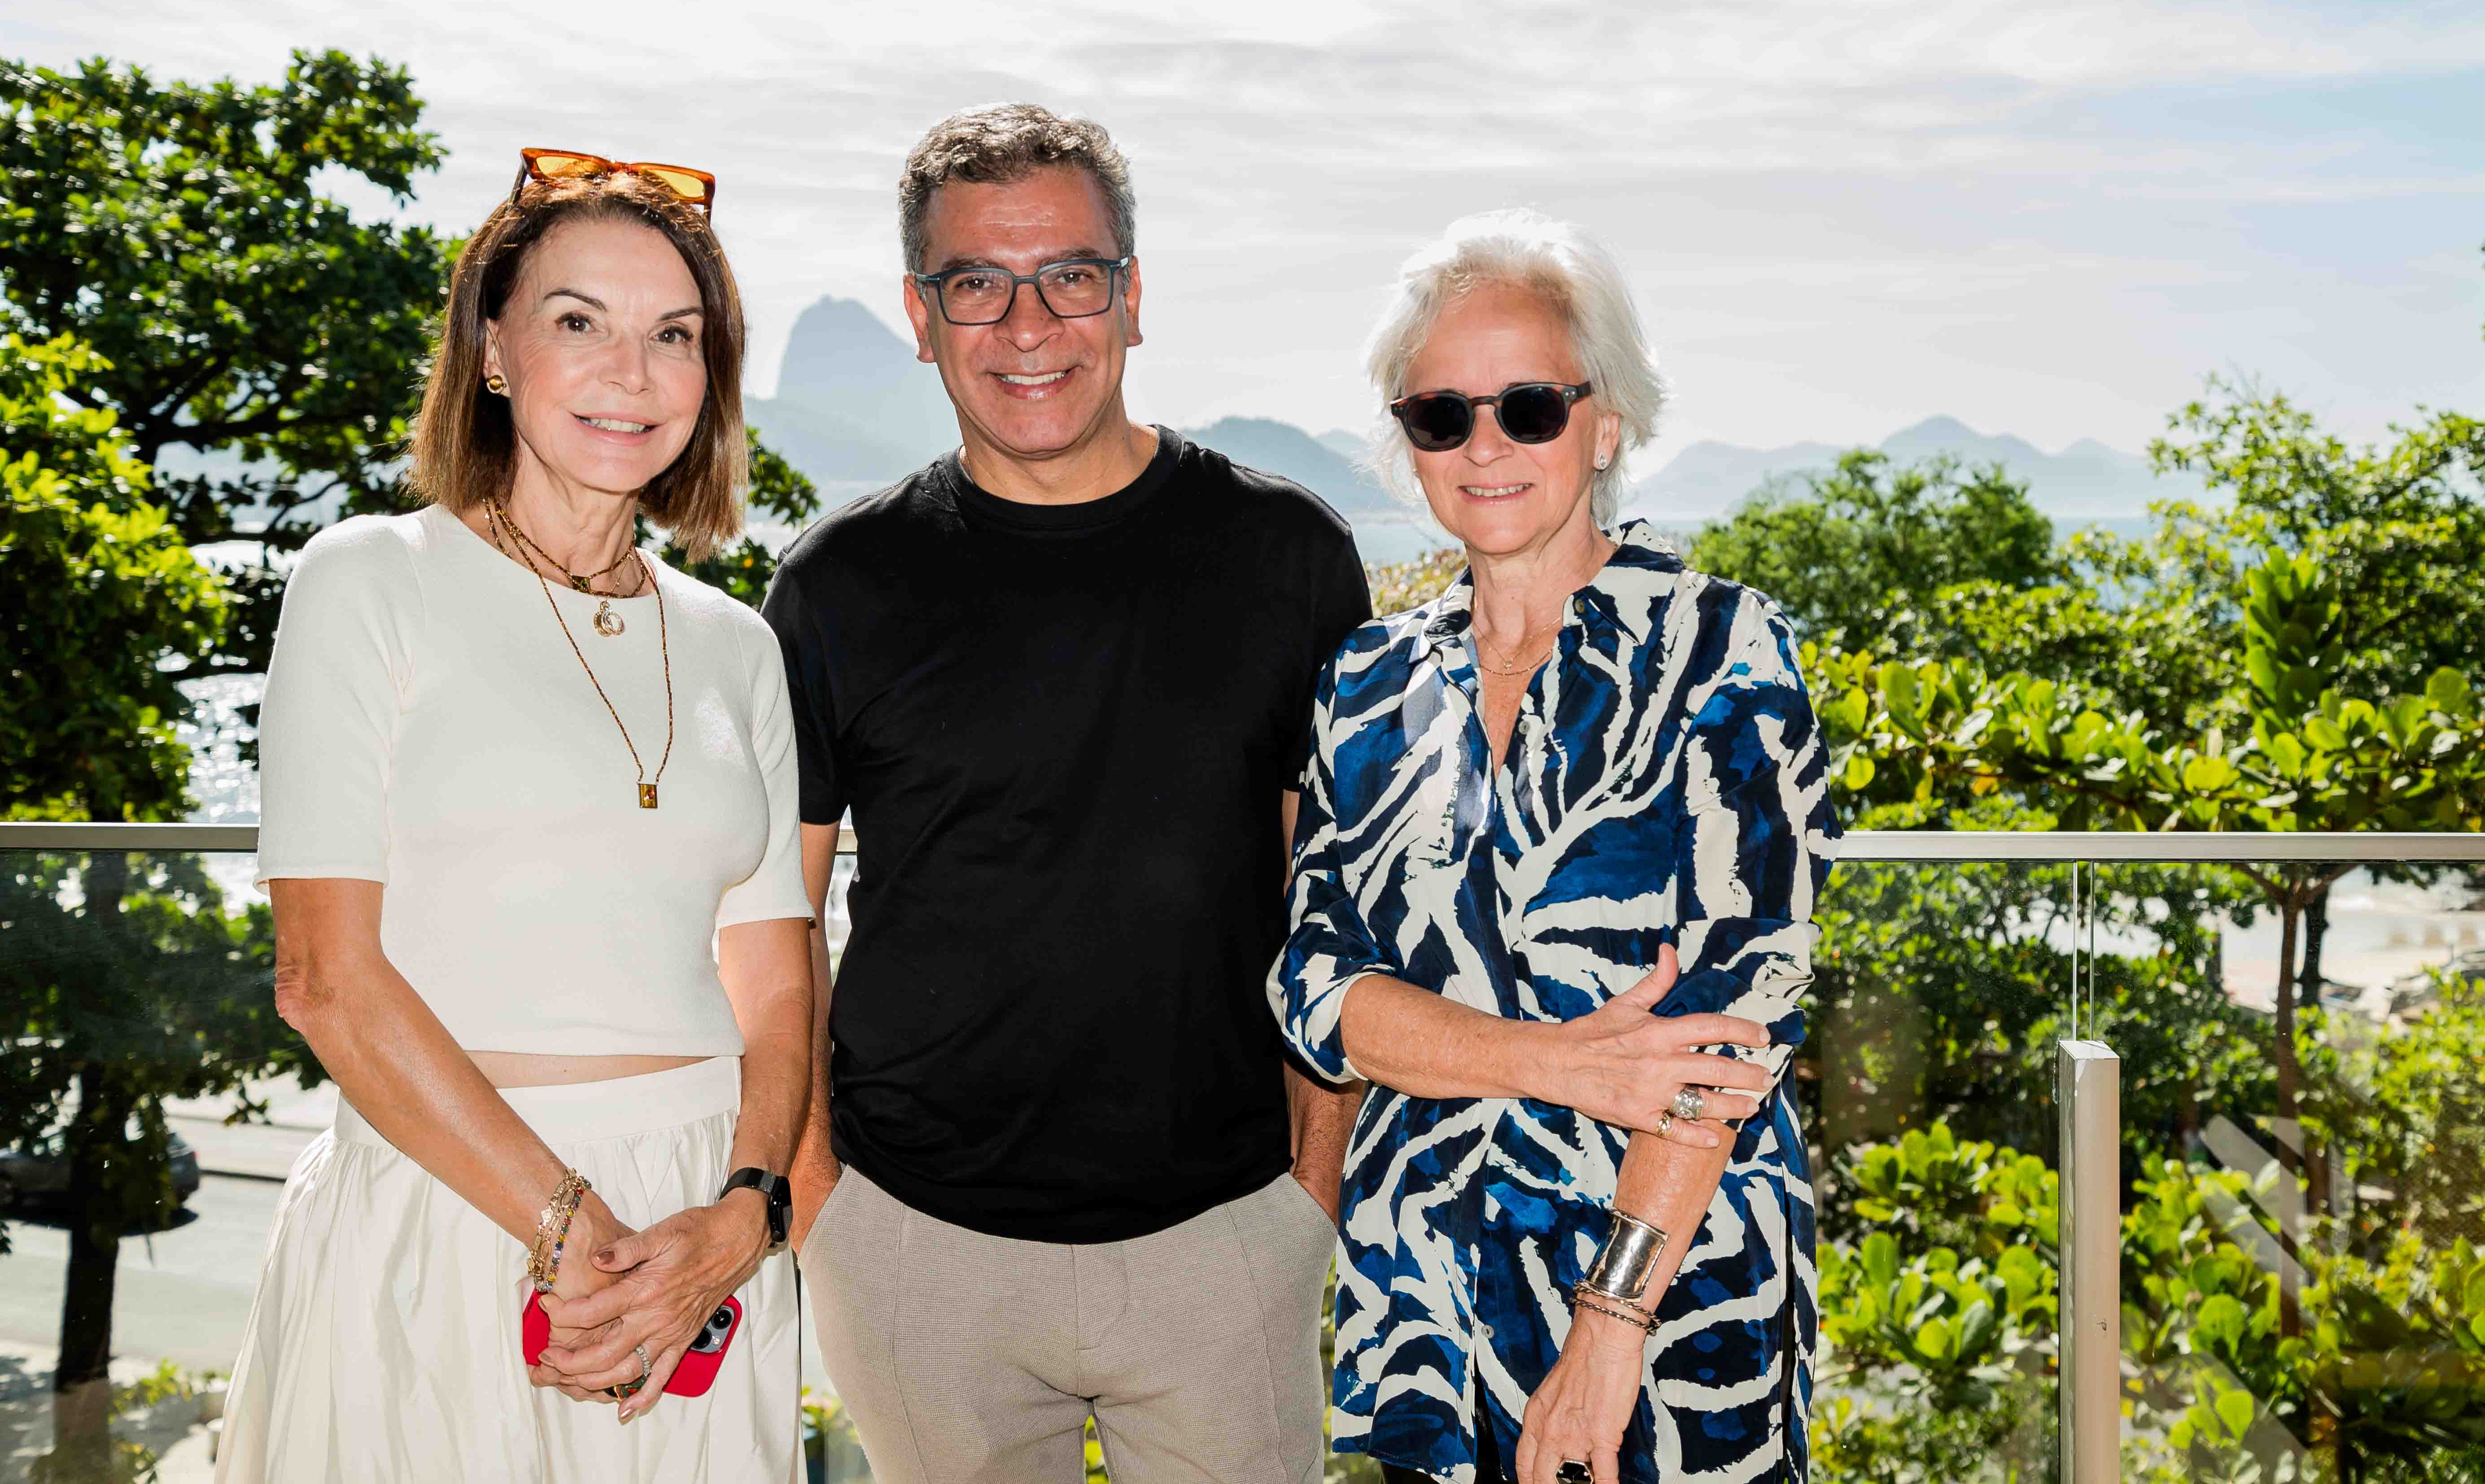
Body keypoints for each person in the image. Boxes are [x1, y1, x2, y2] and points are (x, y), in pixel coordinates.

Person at [763, 104, 1374, 1484]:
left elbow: (1331, 902)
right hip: (919, 1248)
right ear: (922, 317)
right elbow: (776, 924)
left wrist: (1308, 1198)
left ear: (1133, 298)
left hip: (1227, 1239)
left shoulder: (1286, 556)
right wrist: (822, 1210)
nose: (1027, 323)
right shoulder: (835, 585)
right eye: (976, 281)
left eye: (1071, 276)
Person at [218, 152, 817, 1482]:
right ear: (493, 348)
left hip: (696, 1245)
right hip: (454, 1215)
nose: (634, 371)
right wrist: (579, 1239)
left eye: (676, 335)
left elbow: (778, 984)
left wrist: (741, 1215)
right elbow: (325, 980)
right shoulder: (371, 580)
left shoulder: (736, 645)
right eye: (578, 322)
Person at [1270, 210, 1839, 1484]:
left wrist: (1610, 1329)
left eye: (1529, 408)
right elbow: (1315, 992)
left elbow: (1733, 1032)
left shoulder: (1721, 655)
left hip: (1672, 1320)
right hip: (1424, 1317)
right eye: (1441, 415)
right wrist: (1556, 1064)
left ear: (1608, 421)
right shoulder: (1366, 683)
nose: (1485, 447)